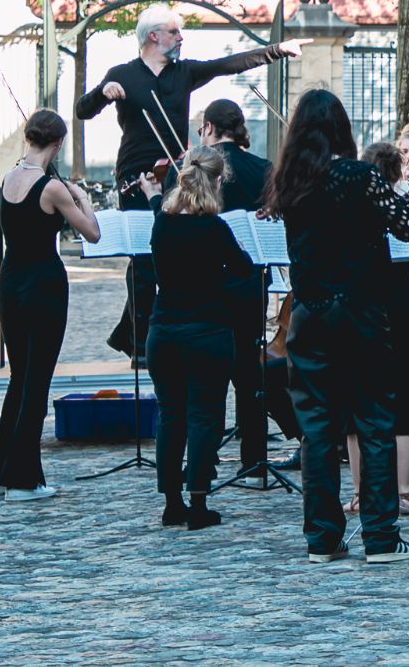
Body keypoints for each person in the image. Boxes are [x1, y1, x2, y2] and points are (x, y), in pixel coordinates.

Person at [76, 5, 308, 363]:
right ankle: (138, 343)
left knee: (174, 250)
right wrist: (103, 92)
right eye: (174, 32)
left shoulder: (182, 73)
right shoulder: (122, 74)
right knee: (143, 259)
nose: (181, 38)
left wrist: (275, 51)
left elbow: (226, 64)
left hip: (174, 174)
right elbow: (82, 110)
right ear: (154, 35)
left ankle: (161, 329)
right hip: (135, 175)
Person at [267, 89, 409, 564]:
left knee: (318, 429)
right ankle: (380, 538)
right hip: (361, 312)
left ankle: (322, 538)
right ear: (342, 128)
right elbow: (407, 228)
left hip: (310, 312)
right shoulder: (360, 176)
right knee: (374, 421)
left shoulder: (290, 180)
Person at [141, 146, 253, 530]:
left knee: (170, 416)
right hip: (207, 332)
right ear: (218, 181)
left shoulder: (163, 223)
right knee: (205, 416)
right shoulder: (215, 228)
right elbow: (243, 269)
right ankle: (199, 503)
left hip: (165, 331)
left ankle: (172, 503)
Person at [0, 110, 102, 502]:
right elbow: (92, 233)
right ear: (56, 144)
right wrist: (84, 200)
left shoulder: (8, 178)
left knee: (20, 378)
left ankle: (7, 470)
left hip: (11, 284)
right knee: (36, 382)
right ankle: (24, 481)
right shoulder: (52, 188)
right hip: (44, 287)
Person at [194, 99, 298, 472]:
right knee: (249, 368)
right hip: (251, 277)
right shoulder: (265, 168)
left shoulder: (199, 166)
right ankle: (253, 456)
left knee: (209, 371)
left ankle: (203, 460)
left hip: (208, 280)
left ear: (208, 127)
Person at [346, 142, 409, 516]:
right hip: (398, 298)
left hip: (360, 299)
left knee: (357, 392)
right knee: (403, 387)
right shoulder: (402, 206)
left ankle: (360, 491)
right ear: (397, 172)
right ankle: (404, 491)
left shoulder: (349, 206)